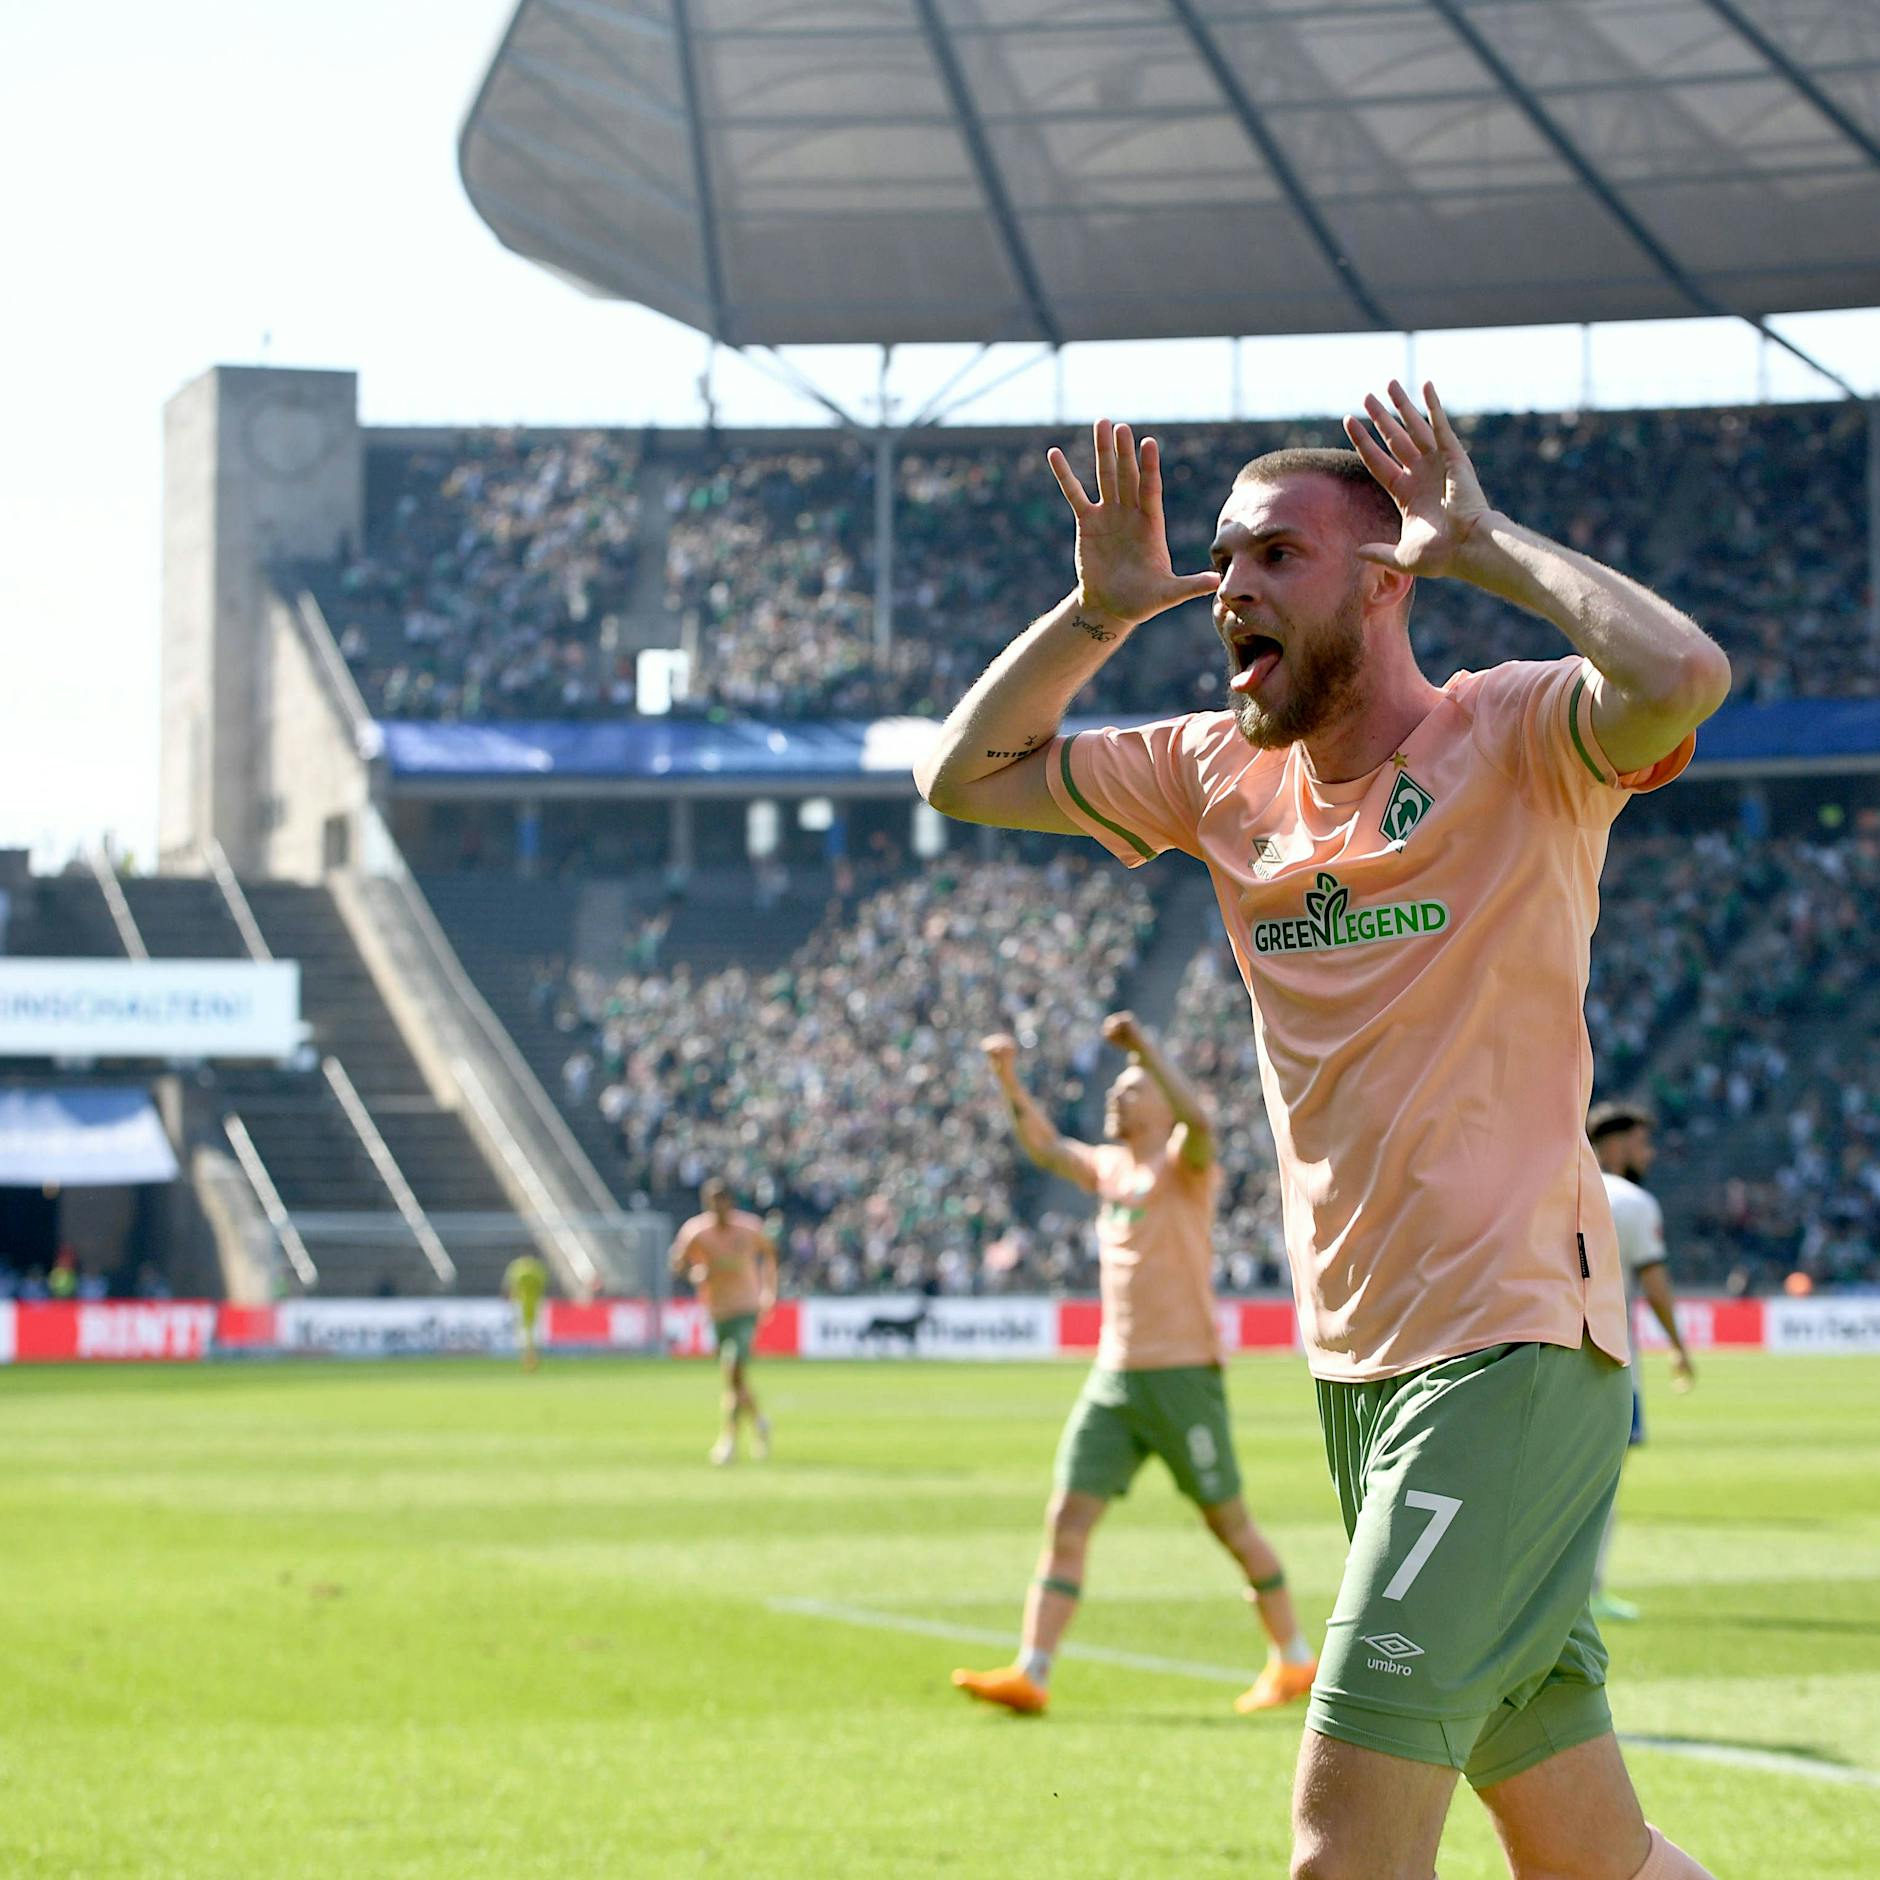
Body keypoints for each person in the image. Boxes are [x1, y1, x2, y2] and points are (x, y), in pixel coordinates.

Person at [914, 386, 1729, 1879]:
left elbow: (1681, 673)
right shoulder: (1218, 773)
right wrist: (1093, 614)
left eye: (1276, 556)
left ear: (1384, 581)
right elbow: (961, 776)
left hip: (1510, 1345)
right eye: (1223, 562)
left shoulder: (1522, 733)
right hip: (1360, 1367)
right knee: (1585, 1848)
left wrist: (1485, 541)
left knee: (1341, 1842)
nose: (1230, 588)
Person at [953, 1013, 1317, 1719]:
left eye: (1132, 1091)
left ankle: (1294, 1658)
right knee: (1067, 1517)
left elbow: (1204, 1120)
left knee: (1230, 1526)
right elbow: (1047, 1147)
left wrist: (1148, 1046)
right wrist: (1007, 1079)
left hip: (1183, 1375)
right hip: (1114, 1377)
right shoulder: (1111, 1167)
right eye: (1115, 1090)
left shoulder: (1185, 1166)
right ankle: (1033, 1670)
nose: (1117, 1100)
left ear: (1159, 1104)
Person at [1588, 1103, 1695, 1624]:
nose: (1647, 1153)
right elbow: (1654, 1285)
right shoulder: (1633, 1202)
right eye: (1640, 1142)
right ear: (1613, 1145)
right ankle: (1589, 1591)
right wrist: (1678, 1346)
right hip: (1610, 1366)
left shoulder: (1556, 1187)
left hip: (1540, 1353)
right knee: (1602, 1484)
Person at [668, 1179, 778, 1465]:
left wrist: (769, 1291)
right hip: (716, 1310)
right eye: (712, 1200)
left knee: (732, 1370)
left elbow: (769, 1255)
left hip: (746, 1308)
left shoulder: (749, 1228)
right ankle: (760, 1422)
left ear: (730, 1201)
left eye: (722, 1200)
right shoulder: (696, 1231)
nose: (718, 1206)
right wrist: (694, 1273)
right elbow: (678, 1263)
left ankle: (728, 1440)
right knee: (735, 1378)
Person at [502, 1251, 550, 1373]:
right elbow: (543, 1284)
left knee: (526, 1336)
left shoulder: (517, 1269)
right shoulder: (537, 1269)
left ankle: (528, 1361)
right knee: (532, 1336)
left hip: (523, 1305)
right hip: (534, 1305)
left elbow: (510, 1286)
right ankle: (532, 1361)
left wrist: (511, 1298)